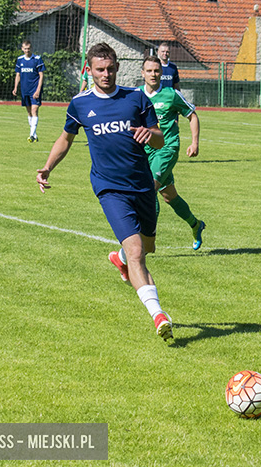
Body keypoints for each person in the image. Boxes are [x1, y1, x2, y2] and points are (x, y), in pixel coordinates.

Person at [36, 42, 174, 343]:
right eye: (100, 69)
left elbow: (160, 139)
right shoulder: (80, 104)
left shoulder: (136, 98)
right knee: (137, 252)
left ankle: (120, 259)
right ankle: (158, 315)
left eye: (111, 69)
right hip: (110, 188)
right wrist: (47, 167)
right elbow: (65, 139)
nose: (106, 74)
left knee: (146, 248)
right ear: (89, 70)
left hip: (142, 185)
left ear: (117, 68)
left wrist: (149, 134)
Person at [140, 55, 205, 250]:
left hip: (167, 149)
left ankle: (146, 240)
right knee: (169, 196)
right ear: (142, 73)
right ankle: (196, 224)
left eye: (156, 70)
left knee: (149, 190)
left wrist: (194, 143)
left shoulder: (172, 94)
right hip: (146, 152)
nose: (153, 74)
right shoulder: (136, 96)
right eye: (149, 71)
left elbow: (192, 115)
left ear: (162, 73)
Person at [13, 39, 45, 142]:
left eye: (29, 48)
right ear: (22, 49)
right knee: (29, 112)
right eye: (25, 49)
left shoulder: (37, 59)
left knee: (34, 110)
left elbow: (41, 75)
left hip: (34, 90)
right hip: (25, 90)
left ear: (31, 48)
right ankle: (34, 134)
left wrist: (38, 90)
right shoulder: (20, 60)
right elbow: (18, 75)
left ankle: (31, 135)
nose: (27, 50)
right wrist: (15, 87)